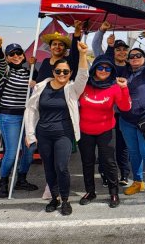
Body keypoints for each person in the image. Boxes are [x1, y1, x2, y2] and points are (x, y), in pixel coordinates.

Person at [24, 41, 89, 216]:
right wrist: (30, 134)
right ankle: (55, 198)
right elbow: (31, 110)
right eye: (58, 71)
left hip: (64, 134)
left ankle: (65, 199)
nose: (62, 74)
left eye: (65, 72)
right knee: (49, 168)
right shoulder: (41, 87)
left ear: (70, 74)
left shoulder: (72, 89)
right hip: (44, 134)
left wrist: (83, 55)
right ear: (53, 72)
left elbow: (83, 75)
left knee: (61, 167)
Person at [78, 55, 132, 208]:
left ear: (112, 71)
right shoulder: (84, 85)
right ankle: (90, 191)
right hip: (85, 131)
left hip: (105, 131)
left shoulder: (115, 87)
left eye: (107, 68)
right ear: (94, 68)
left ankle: (113, 193)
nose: (103, 71)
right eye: (100, 67)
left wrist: (124, 88)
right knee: (87, 163)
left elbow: (125, 107)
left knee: (109, 162)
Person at [0, 37, 38, 198]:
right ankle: (4, 181)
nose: (16, 56)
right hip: (9, 117)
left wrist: (33, 70)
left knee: (30, 148)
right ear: (7, 57)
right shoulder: (5, 71)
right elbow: (1, 62)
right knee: (12, 152)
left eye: (19, 53)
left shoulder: (29, 72)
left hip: (26, 116)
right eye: (11, 54)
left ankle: (21, 179)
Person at [118, 31, 145, 199]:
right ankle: (137, 181)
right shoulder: (123, 73)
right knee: (133, 153)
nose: (134, 58)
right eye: (131, 56)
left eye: (138, 55)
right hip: (126, 120)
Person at [92, 21, 131, 186]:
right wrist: (102, 31)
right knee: (106, 146)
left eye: (124, 49)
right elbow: (95, 45)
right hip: (106, 112)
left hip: (125, 113)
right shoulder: (106, 64)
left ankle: (124, 174)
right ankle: (105, 173)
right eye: (118, 49)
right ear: (113, 51)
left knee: (123, 145)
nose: (121, 52)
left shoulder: (131, 67)